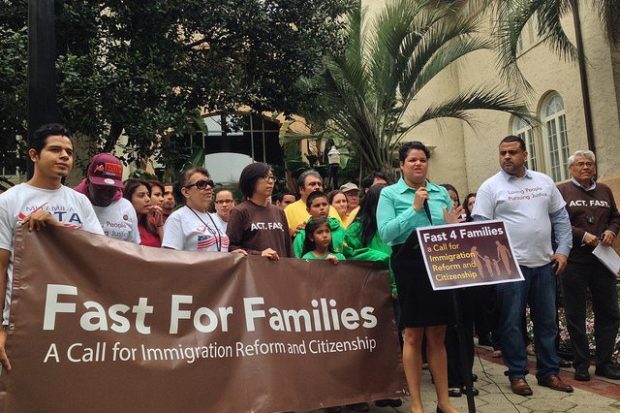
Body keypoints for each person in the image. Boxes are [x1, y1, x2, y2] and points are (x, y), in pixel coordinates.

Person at [472, 135, 573, 396]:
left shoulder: (544, 181)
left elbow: (560, 218)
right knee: (511, 323)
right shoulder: (490, 187)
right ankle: (517, 374)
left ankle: (549, 372)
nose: (506, 157)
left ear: (524, 155)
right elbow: (481, 229)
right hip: (510, 268)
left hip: (544, 265)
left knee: (547, 321)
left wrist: (563, 250)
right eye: (502, 152)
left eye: (512, 152)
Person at [0, 123, 104, 371]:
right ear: (34, 155)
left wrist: (56, 228)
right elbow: (1, 268)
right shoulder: (9, 201)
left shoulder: (80, 202)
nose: (64, 156)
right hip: (24, 319)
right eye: (55, 150)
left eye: (69, 152)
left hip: (76, 317)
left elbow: (100, 253)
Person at [377, 141, 463, 413]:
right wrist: (413, 208)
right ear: (401, 165)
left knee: (438, 332)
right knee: (413, 333)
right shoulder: (390, 195)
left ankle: (444, 401)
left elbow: (448, 231)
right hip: (409, 265)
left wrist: (452, 228)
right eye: (412, 160)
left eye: (422, 160)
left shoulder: (440, 193)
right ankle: (416, 403)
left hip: (439, 263)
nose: (418, 164)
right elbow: (386, 234)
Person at [557, 150, 620, 381]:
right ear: (571, 169)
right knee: (575, 314)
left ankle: (604, 364)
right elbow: (559, 222)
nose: (585, 167)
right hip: (574, 260)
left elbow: (615, 216)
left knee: (609, 312)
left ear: (594, 168)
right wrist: (582, 235)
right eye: (580, 164)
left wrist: (611, 231)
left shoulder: (604, 190)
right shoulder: (562, 190)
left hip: (602, 260)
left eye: (589, 164)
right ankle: (581, 364)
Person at [344, 183, 401, 409]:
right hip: (366, 294)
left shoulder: (394, 226)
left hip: (393, 293)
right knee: (365, 344)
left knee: (391, 344)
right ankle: (360, 394)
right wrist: (377, 256)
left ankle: (385, 391)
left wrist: (396, 287)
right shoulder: (358, 228)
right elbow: (347, 252)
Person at [227, 163, 292, 259]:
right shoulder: (240, 211)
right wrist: (258, 254)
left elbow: (288, 248)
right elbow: (231, 247)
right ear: (251, 180)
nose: (270, 181)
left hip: (281, 271)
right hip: (254, 271)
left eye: (272, 177)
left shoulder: (279, 212)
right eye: (265, 177)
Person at [75, 153, 140, 243]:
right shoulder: (72, 202)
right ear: (88, 181)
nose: (105, 194)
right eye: (100, 188)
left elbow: (134, 247)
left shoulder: (126, 207)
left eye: (111, 189)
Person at [162, 168, 230, 252]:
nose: (208, 187)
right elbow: (170, 257)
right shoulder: (177, 219)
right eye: (201, 184)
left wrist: (231, 255)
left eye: (210, 183)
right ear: (186, 192)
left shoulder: (215, 218)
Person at [284, 170, 341, 236]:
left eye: (319, 184)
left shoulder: (331, 208)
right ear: (301, 189)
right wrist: (293, 233)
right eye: (312, 184)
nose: (317, 187)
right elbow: (281, 236)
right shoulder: (289, 210)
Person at [292, 191, 346, 258]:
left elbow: (349, 259)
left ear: (329, 207)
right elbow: (296, 263)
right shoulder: (302, 235)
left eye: (324, 204)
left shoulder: (341, 231)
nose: (322, 208)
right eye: (317, 205)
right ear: (308, 210)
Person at [123, 179, 163, 247]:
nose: (148, 199)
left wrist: (160, 226)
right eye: (141, 195)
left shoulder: (152, 223)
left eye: (148, 195)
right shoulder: (122, 225)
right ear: (128, 199)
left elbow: (168, 250)